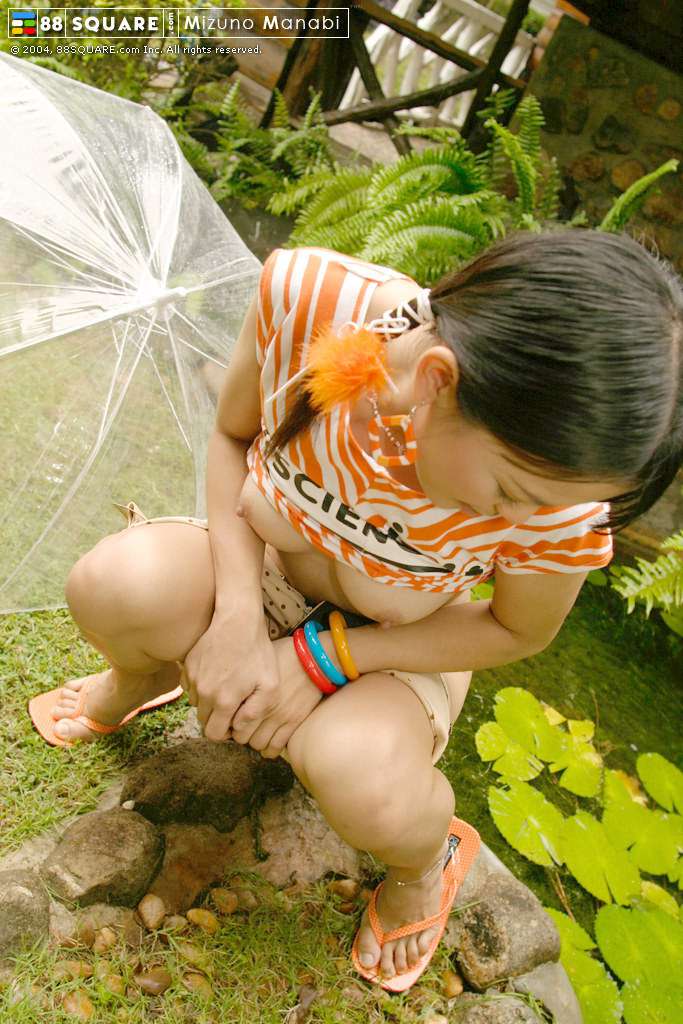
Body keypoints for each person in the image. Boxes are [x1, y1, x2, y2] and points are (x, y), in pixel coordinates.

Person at [29, 228, 682, 990]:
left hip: (392, 646)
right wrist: (235, 614)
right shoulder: (312, 301)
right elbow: (233, 435)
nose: (519, 519)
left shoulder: (560, 500)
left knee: (357, 774)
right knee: (115, 586)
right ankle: (145, 678)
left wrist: (322, 659)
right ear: (437, 378)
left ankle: (421, 867)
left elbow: (515, 628)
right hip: (266, 574)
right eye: (509, 492)